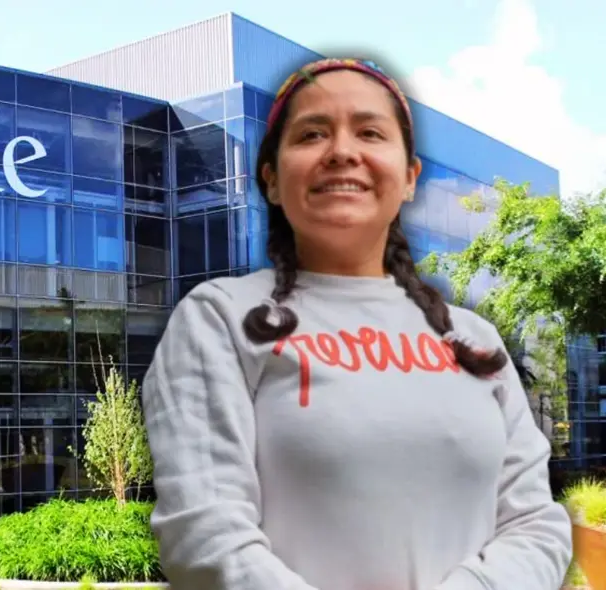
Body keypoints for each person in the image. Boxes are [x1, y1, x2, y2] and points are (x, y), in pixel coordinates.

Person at [141, 57, 573, 590]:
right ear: (272, 180)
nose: (343, 151)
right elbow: (204, 535)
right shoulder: (219, 318)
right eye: (312, 133)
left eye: (370, 132)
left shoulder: (474, 340)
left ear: (410, 178)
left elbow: (537, 525)